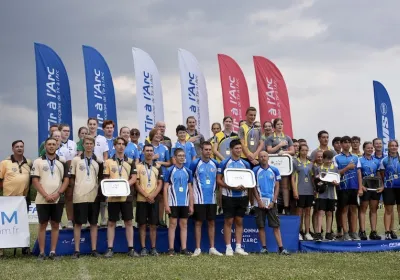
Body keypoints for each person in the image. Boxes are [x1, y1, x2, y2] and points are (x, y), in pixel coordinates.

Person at [31, 137, 69, 261]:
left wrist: (58, 194)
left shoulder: (62, 161)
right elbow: (35, 180)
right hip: (42, 199)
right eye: (49, 144)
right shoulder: (38, 162)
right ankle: (42, 252)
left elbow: (66, 180)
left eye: (54, 144)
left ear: (57, 146)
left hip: (57, 198)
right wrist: (46, 195)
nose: (52, 146)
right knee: (42, 224)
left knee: (55, 224)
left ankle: (53, 251)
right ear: (45, 146)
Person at [103, 137, 138, 258]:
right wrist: (113, 188)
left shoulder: (130, 161)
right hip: (113, 197)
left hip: (126, 196)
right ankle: (110, 248)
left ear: (125, 146)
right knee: (112, 222)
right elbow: (105, 178)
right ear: (114, 146)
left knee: (128, 222)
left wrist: (124, 186)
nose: (121, 146)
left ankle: (131, 248)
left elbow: (134, 178)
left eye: (123, 144)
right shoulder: (108, 162)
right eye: (118, 144)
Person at [69, 136, 103, 258]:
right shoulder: (76, 160)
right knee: (78, 223)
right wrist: (77, 189)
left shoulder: (98, 160)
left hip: (94, 196)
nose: (89, 145)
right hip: (79, 196)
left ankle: (94, 249)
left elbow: (101, 178)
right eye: (87, 143)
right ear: (83, 145)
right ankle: (77, 250)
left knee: (94, 223)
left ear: (94, 145)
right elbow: (72, 178)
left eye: (91, 143)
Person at [217, 139, 251, 256]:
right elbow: (218, 180)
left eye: (240, 148)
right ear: (231, 150)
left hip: (242, 196)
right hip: (228, 196)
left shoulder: (246, 164)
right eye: (236, 148)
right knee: (228, 221)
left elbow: (249, 180)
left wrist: (245, 186)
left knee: (239, 221)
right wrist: (230, 187)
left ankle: (238, 247)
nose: (239, 150)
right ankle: (228, 248)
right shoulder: (224, 163)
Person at [252, 151, 290, 255]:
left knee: (276, 226)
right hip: (259, 203)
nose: (263, 158)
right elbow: (253, 187)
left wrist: (273, 200)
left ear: (268, 158)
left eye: (265, 156)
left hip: (272, 202)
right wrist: (259, 201)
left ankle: (281, 249)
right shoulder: (255, 170)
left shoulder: (274, 170)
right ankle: (264, 248)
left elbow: (277, 186)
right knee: (261, 226)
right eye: (261, 156)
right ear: (258, 158)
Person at [190, 141, 223, 256]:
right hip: (199, 199)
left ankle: (212, 248)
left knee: (211, 222)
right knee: (198, 222)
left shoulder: (215, 163)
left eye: (210, 149)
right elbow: (190, 181)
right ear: (201, 150)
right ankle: (197, 248)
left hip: (212, 199)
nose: (208, 152)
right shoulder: (195, 163)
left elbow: (219, 180)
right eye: (206, 149)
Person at [0, 140, 32, 256]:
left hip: (23, 199)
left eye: (21, 146)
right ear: (12, 149)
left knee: (23, 224)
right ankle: (1, 248)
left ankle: (25, 247)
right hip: (7, 200)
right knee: (5, 225)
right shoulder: (5, 163)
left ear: (24, 148)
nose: (19, 148)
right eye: (17, 147)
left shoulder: (29, 163)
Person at [164, 148, 194, 256]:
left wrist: (191, 205)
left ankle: (184, 248)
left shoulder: (188, 171)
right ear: (174, 158)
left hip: (184, 202)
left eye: (183, 156)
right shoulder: (169, 170)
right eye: (179, 155)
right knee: (172, 224)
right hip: (173, 202)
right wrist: (166, 204)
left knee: (184, 225)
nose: (182, 157)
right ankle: (171, 249)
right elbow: (165, 188)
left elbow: (190, 189)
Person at [135, 144, 163, 256]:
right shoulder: (138, 166)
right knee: (142, 224)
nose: (149, 152)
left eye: (151, 150)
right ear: (143, 152)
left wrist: (153, 195)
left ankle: (153, 248)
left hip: (153, 200)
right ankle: (143, 248)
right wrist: (146, 195)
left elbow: (160, 183)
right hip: (142, 199)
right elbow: (136, 184)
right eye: (147, 150)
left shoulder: (158, 166)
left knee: (153, 225)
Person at [266, 118, 295, 214]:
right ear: (274, 126)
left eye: (281, 124)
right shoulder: (270, 138)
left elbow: (293, 151)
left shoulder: (287, 137)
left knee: (285, 186)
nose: (280, 126)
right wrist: (279, 146)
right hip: (273, 164)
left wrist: (284, 152)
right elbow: (269, 150)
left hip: (284, 165)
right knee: (274, 185)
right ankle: (275, 205)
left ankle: (286, 207)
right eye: (278, 124)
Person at [144, 128, 171, 228]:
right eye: (156, 134)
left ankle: (160, 219)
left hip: (162, 175)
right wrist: (153, 158)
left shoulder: (164, 148)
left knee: (161, 198)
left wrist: (160, 162)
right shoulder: (147, 147)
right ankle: (148, 219)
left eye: (160, 134)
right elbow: (143, 160)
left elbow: (169, 162)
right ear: (152, 135)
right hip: (148, 175)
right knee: (148, 196)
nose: (158, 136)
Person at [334, 136, 360, 241]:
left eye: (349, 142)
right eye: (345, 142)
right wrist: (347, 168)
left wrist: (360, 187)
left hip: (354, 186)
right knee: (343, 210)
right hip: (342, 187)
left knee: (353, 210)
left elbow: (359, 173)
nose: (347, 144)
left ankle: (353, 232)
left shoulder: (356, 157)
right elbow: (336, 173)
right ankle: (345, 233)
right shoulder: (336, 158)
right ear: (341, 144)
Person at [357, 141, 382, 240]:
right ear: (364, 149)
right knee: (363, 209)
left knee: (374, 209)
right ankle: (362, 231)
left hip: (374, 188)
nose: (370, 149)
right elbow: (358, 173)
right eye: (368, 148)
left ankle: (373, 232)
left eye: (371, 148)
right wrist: (361, 186)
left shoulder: (376, 161)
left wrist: (381, 186)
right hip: (365, 187)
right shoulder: (360, 160)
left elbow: (379, 175)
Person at [313, 150, 339, 241]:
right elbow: (316, 181)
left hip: (332, 194)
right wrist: (319, 180)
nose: (329, 161)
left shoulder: (335, 168)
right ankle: (319, 233)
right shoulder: (318, 168)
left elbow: (337, 181)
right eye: (327, 159)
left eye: (330, 159)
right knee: (320, 213)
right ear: (323, 159)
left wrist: (335, 183)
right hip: (321, 194)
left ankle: (328, 233)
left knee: (329, 213)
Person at [378, 139, 400, 240]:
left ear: (397, 147)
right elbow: (381, 175)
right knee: (388, 210)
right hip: (389, 188)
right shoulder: (384, 160)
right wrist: (383, 185)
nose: (393, 147)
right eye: (392, 145)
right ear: (388, 147)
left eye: (395, 145)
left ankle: (394, 230)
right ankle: (387, 231)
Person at [292, 144, 314, 241]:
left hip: (309, 191)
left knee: (308, 212)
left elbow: (312, 178)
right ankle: (299, 231)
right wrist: (295, 190)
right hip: (299, 190)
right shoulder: (295, 162)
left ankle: (307, 232)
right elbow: (292, 178)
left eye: (306, 150)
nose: (304, 152)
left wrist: (315, 189)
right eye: (303, 150)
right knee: (299, 212)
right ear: (299, 151)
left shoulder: (310, 163)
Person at [59, 124, 77, 230]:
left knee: (69, 197)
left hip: (70, 173)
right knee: (58, 198)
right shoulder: (54, 143)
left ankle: (70, 220)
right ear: (60, 131)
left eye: (68, 131)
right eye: (64, 130)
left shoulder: (73, 144)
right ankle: (58, 220)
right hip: (57, 174)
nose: (67, 133)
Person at [312, 150, 324, 234]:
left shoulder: (326, 166)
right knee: (316, 211)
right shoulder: (313, 166)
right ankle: (316, 230)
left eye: (321, 157)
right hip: (315, 192)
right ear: (315, 157)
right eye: (318, 157)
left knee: (323, 211)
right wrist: (314, 190)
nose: (320, 158)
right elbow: (312, 180)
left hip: (325, 192)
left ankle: (322, 229)